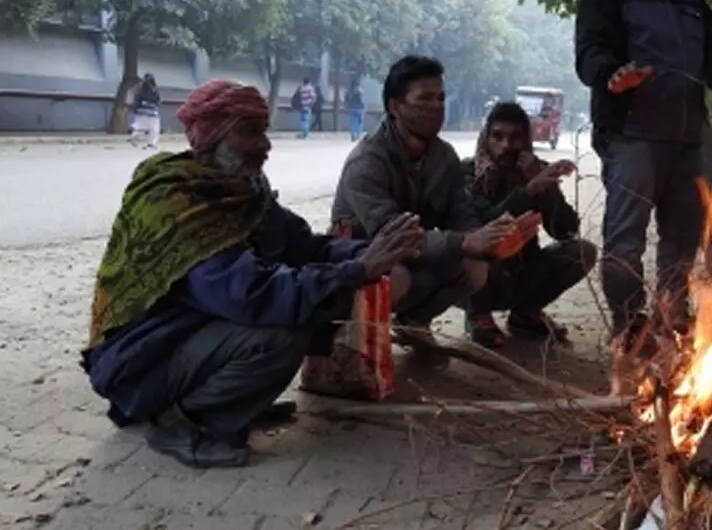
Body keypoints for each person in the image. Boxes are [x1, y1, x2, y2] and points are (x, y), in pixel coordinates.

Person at [82, 79, 423, 468]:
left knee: (305, 308)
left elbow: (302, 245)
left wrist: (372, 254)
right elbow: (252, 294)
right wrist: (358, 269)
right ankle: (185, 421)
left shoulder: (241, 188)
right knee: (281, 333)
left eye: (264, 129)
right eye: (249, 132)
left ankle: (230, 401)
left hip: (191, 334)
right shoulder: (173, 200)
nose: (265, 144)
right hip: (140, 363)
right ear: (211, 137)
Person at [574, 0, 712, 342]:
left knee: (682, 233)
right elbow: (590, 52)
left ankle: (672, 313)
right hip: (631, 134)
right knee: (625, 237)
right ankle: (629, 325)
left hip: (684, 136)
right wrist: (614, 76)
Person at [331, 55, 540, 349]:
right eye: (425, 98)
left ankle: (413, 321)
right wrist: (466, 242)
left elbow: (462, 217)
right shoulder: (367, 161)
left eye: (441, 98)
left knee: (475, 268)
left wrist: (493, 242)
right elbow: (390, 236)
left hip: (415, 252)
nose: (436, 107)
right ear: (395, 107)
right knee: (396, 277)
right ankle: (352, 337)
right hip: (364, 257)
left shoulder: (444, 157)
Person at [461, 102, 598, 348]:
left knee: (582, 252)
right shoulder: (468, 173)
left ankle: (525, 313)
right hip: (482, 275)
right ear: (486, 137)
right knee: (472, 253)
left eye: (515, 138)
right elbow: (484, 219)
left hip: (523, 271)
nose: (506, 146)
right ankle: (477, 314)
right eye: (498, 136)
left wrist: (546, 190)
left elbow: (565, 231)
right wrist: (529, 191)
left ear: (526, 141)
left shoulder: (534, 171)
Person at [129, 73, 161, 149]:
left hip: (141, 110)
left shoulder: (140, 88)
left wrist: (135, 109)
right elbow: (158, 100)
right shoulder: (154, 89)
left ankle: (134, 135)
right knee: (154, 128)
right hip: (152, 111)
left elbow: (136, 99)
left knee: (140, 125)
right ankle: (151, 143)